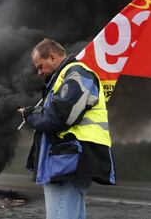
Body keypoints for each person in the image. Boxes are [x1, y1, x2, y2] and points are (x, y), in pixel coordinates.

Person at [18, 38, 115, 219]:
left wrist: (30, 115)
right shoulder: (65, 78)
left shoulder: (77, 74)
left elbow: (60, 117)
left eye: (40, 66)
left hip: (68, 161)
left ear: (53, 57)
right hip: (68, 160)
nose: (39, 72)